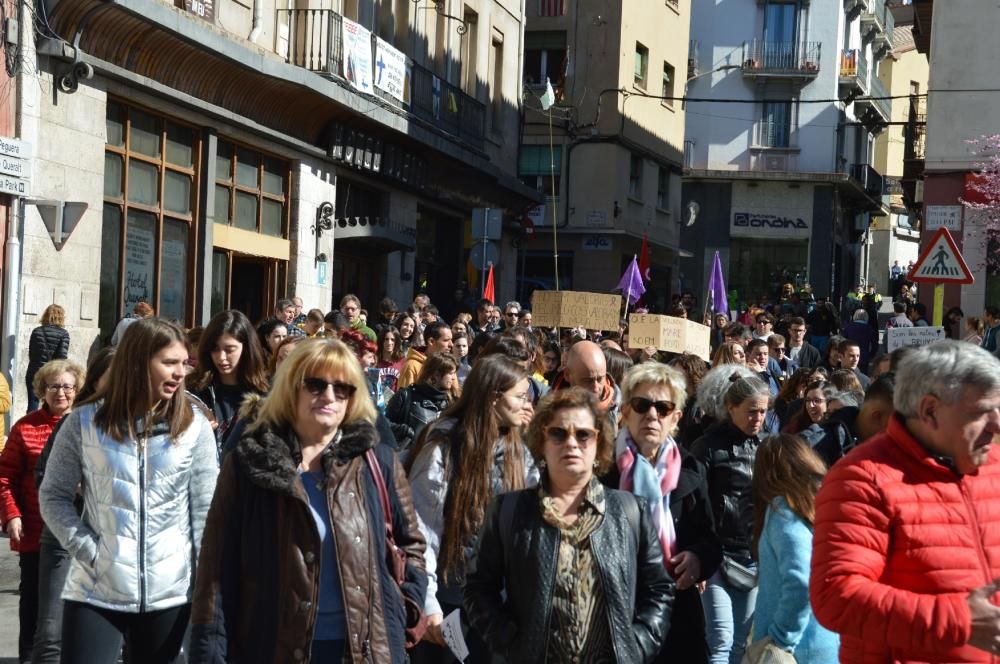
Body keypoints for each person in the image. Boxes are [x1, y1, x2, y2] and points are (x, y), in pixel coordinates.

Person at [191, 338, 427, 662]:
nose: (329, 396)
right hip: (271, 648)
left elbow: (411, 543)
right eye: (315, 385)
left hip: (365, 649)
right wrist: (210, 651)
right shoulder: (249, 462)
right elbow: (216, 567)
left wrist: (403, 607)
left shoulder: (377, 462)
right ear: (291, 388)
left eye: (342, 388)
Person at [39, 318, 218, 663]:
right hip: (95, 589)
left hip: (170, 592)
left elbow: (204, 509)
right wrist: (89, 549)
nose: (180, 372)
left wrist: (201, 578)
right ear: (137, 362)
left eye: (184, 363)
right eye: (169, 363)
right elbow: (53, 494)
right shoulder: (83, 422)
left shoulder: (195, 428)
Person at [811, 341, 1000, 663]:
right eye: (981, 413)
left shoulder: (993, 464)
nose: (996, 425)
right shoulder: (863, 478)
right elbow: (836, 595)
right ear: (929, 411)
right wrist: (956, 620)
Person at [464, 387, 675, 663]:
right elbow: (478, 588)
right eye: (559, 434)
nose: (571, 443)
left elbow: (659, 589)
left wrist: (637, 644)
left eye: (583, 434)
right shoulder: (509, 511)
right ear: (543, 442)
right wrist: (508, 641)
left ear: (598, 444)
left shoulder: (630, 511)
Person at [406, 355, 537, 662]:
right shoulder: (444, 448)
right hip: (451, 606)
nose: (527, 404)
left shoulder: (521, 450)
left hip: (503, 607)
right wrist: (428, 606)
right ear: (493, 397)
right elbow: (421, 532)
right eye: (519, 397)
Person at [606, 364, 721, 662]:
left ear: (676, 418)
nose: (652, 415)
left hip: (677, 618)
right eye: (642, 405)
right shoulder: (601, 471)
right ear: (626, 411)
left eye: (663, 407)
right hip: (615, 616)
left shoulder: (691, 469)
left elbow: (710, 540)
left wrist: (697, 558)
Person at [32, 348, 116, 664]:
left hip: (112, 541)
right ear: (96, 381)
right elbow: (46, 483)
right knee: (51, 631)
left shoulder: (139, 423)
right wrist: (81, 487)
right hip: (63, 537)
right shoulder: (75, 422)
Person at [0, 359, 84, 662]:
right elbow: (4, 476)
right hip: (35, 529)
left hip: (77, 530)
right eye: (53, 387)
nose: (60, 393)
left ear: (77, 390)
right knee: (35, 601)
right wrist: (12, 514)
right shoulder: (26, 427)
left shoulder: (86, 424)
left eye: (67, 387)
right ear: (42, 390)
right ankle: (28, 657)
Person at [690, 374, 771, 664]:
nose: (758, 418)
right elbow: (693, 504)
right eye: (751, 410)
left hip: (752, 556)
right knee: (721, 640)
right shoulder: (707, 446)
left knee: (739, 643)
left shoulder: (767, 446)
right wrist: (698, 555)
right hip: (715, 555)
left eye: (763, 411)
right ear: (731, 407)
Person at [748, 434, 838, 663]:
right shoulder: (824, 505)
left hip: (797, 651)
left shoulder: (783, 511)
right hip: (828, 642)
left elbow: (801, 582)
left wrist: (780, 639)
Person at [192, 310, 270, 450]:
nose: (221, 357)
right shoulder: (193, 389)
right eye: (215, 349)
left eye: (229, 349)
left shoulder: (266, 394)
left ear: (246, 348)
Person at [385, 353, 458, 453]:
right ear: (436, 374)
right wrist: (403, 430)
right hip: (408, 460)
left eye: (454, 373)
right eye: (450, 373)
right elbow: (384, 424)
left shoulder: (452, 402)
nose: (453, 378)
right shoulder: (406, 396)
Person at [554, 340, 622, 436]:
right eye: (588, 380)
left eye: (600, 379)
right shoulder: (549, 409)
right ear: (567, 375)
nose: (595, 388)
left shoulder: (625, 408)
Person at [26, 305, 71, 413]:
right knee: (52, 407)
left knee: (33, 404)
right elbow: (61, 358)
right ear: (61, 317)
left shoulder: (36, 331)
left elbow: (32, 354)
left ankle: (29, 428)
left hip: (34, 372)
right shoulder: (63, 334)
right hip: (52, 374)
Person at [398, 321, 454, 389]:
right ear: (431, 341)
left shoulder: (450, 365)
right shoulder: (412, 366)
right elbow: (404, 397)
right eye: (446, 340)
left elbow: (455, 394)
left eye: (451, 340)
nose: (451, 344)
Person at [376, 326, 406, 393]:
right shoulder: (374, 360)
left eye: (392, 340)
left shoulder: (403, 361)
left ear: (397, 342)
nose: (389, 343)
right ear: (381, 340)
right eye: (386, 339)